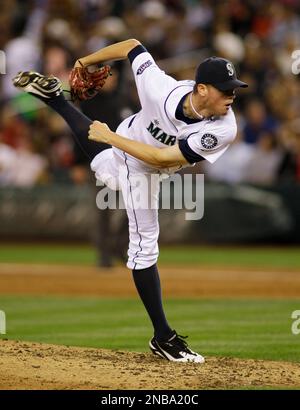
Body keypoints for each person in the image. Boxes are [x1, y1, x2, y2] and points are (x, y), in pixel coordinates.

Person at [13, 38, 247, 363]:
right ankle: (163, 337)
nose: (232, 95)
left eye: (235, 88)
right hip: (136, 164)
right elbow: (132, 47)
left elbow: (164, 158)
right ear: (202, 89)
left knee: (104, 168)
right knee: (144, 245)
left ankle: (56, 100)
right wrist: (84, 59)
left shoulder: (224, 128)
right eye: (226, 89)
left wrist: (110, 137)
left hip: (143, 154)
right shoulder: (160, 88)